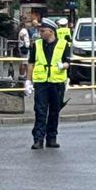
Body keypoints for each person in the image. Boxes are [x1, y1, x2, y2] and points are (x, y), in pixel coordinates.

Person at [28, 20, 69, 150]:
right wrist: (28, 81)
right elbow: (31, 63)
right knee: (40, 111)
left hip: (57, 83)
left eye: (42, 31)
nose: (40, 33)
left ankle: (51, 138)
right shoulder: (37, 44)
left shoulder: (63, 44)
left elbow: (68, 62)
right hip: (41, 83)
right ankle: (38, 139)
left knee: (54, 112)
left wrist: (63, 66)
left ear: (51, 31)